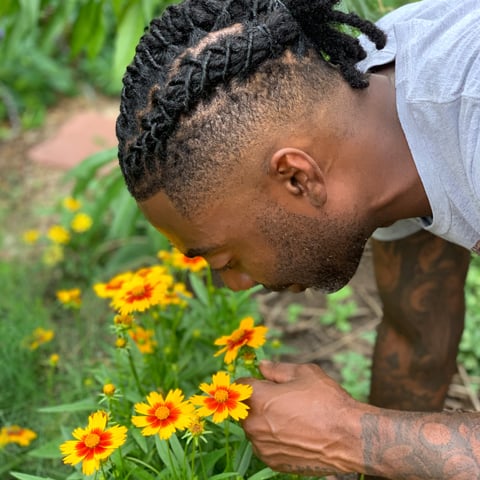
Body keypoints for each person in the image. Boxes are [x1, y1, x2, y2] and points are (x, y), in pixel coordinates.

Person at [115, 0, 479, 478]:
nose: (234, 284)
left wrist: (348, 434)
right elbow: (419, 344)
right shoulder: (366, 109)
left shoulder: (467, 117)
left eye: (225, 259)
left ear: (297, 179)